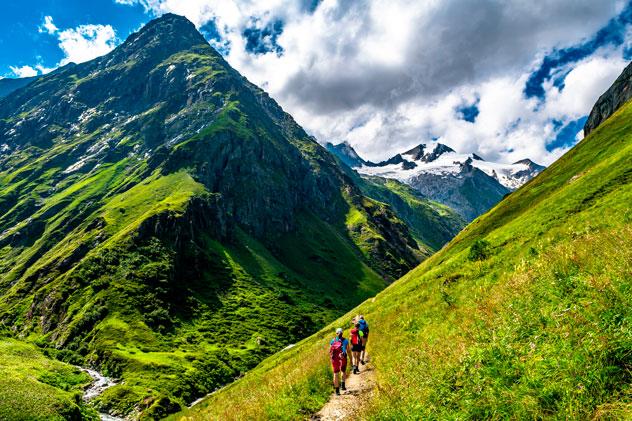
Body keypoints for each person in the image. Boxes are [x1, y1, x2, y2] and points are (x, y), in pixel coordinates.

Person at [329, 327, 350, 395]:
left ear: (336, 333)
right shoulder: (346, 340)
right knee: (343, 371)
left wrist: (331, 358)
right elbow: (348, 351)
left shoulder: (332, 341)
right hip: (343, 357)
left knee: (336, 373)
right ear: (342, 333)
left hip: (335, 359)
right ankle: (343, 386)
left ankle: (337, 391)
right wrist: (351, 359)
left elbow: (330, 351)